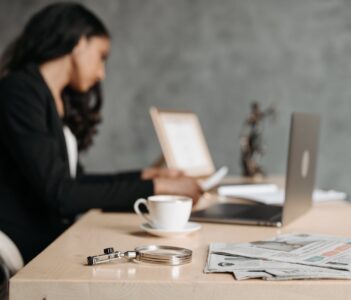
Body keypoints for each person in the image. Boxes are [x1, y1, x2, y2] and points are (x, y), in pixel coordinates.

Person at [0, 3, 202, 263]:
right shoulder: (20, 92)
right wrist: (156, 187)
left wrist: (144, 176)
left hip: (49, 238)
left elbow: (74, 180)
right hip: (20, 245)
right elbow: (62, 193)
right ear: (79, 43)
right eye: (101, 56)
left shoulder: (49, 96)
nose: (101, 73)